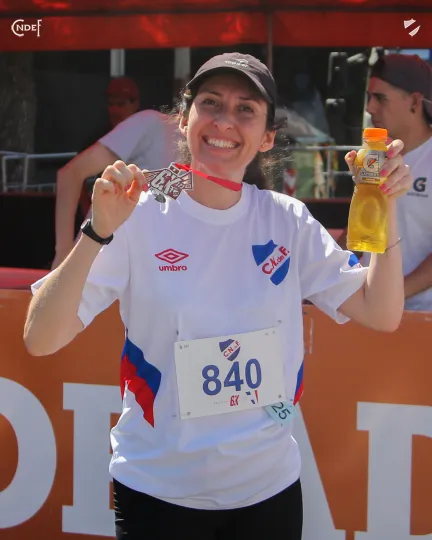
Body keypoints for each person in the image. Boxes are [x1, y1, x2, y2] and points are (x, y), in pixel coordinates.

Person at [24, 52, 412, 539]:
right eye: (211, 103)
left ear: (267, 136)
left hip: (267, 493)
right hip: (158, 493)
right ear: (184, 119)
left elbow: (381, 312)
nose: (225, 121)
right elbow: (39, 338)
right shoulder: (136, 214)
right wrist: (96, 232)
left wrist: (386, 205)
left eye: (246, 109)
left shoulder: (287, 220)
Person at [52, 77, 180, 269]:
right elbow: (70, 175)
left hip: (142, 267)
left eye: (120, 104)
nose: (114, 110)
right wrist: (63, 255)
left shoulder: (202, 159)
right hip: (100, 263)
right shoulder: (149, 123)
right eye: (111, 103)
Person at [338, 53, 432, 311]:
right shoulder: (374, 155)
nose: (370, 108)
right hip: (367, 308)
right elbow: (362, 225)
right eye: (369, 97)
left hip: (421, 314)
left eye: (380, 98)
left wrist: (393, 294)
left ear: (415, 101)